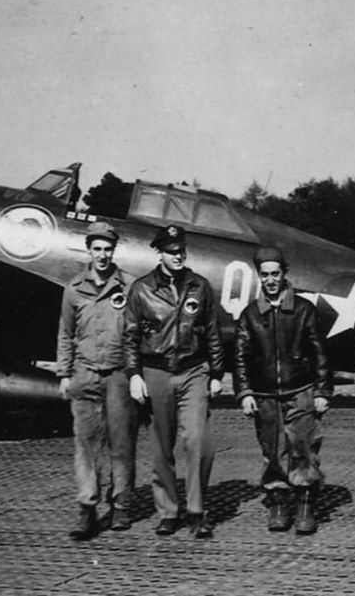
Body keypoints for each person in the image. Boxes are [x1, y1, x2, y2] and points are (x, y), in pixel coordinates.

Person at [123, 224, 225, 538]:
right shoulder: (141, 289)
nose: (178, 256)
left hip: (193, 371)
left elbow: (212, 331)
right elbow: (130, 337)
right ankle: (168, 511)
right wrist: (134, 374)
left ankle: (196, 511)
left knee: (199, 443)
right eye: (171, 252)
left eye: (181, 251)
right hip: (155, 371)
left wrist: (217, 373)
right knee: (161, 448)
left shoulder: (200, 286)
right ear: (160, 254)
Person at [234, 246, 331, 534]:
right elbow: (240, 357)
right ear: (259, 276)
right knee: (273, 452)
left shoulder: (303, 309)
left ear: (284, 274)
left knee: (303, 447)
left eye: (275, 274)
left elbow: (320, 352)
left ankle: (305, 504)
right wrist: (245, 392)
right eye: (265, 275)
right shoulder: (250, 314)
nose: (270, 280)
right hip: (264, 394)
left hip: (300, 389)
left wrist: (322, 391)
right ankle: (277, 502)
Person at [55, 220, 136, 540]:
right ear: (88, 251)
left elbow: (138, 334)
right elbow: (66, 333)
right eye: (97, 249)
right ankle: (87, 508)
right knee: (86, 446)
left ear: (114, 251)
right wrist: (64, 373)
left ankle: (121, 505)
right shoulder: (74, 289)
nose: (102, 255)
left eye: (108, 249)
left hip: (118, 375)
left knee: (121, 444)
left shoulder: (129, 287)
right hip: (84, 374)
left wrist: (136, 375)